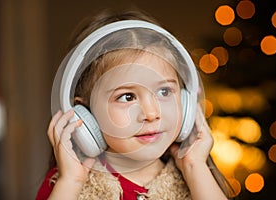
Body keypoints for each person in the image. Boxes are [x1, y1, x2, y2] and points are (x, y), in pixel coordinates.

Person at [36, 9, 234, 200]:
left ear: (187, 101)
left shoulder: (197, 179)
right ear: (85, 115)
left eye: (164, 92)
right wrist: (70, 181)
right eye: (127, 97)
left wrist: (195, 166)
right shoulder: (66, 184)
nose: (151, 113)